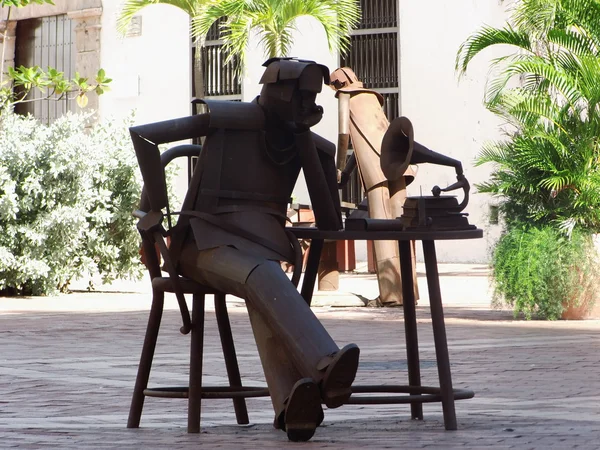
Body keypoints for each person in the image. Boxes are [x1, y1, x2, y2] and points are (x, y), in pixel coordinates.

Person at [130, 58, 360, 442]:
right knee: (261, 275)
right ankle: (323, 366)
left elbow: (330, 223)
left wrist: (305, 142)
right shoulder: (226, 119)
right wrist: (157, 207)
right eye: (301, 96)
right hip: (202, 244)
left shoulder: (300, 139)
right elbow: (145, 136)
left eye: (311, 99)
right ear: (280, 91)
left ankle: (293, 403)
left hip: (259, 247)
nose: (306, 105)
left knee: (261, 282)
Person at [330, 67, 419, 306]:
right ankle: (410, 293)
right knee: (402, 227)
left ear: (337, 84)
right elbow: (366, 138)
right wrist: (348, 171)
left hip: (375, 168)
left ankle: (390, 296)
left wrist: (338, 168)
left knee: (382, 228)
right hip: (397, 161)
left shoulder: (345, 97)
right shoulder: (372, 96)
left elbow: (344, 136)